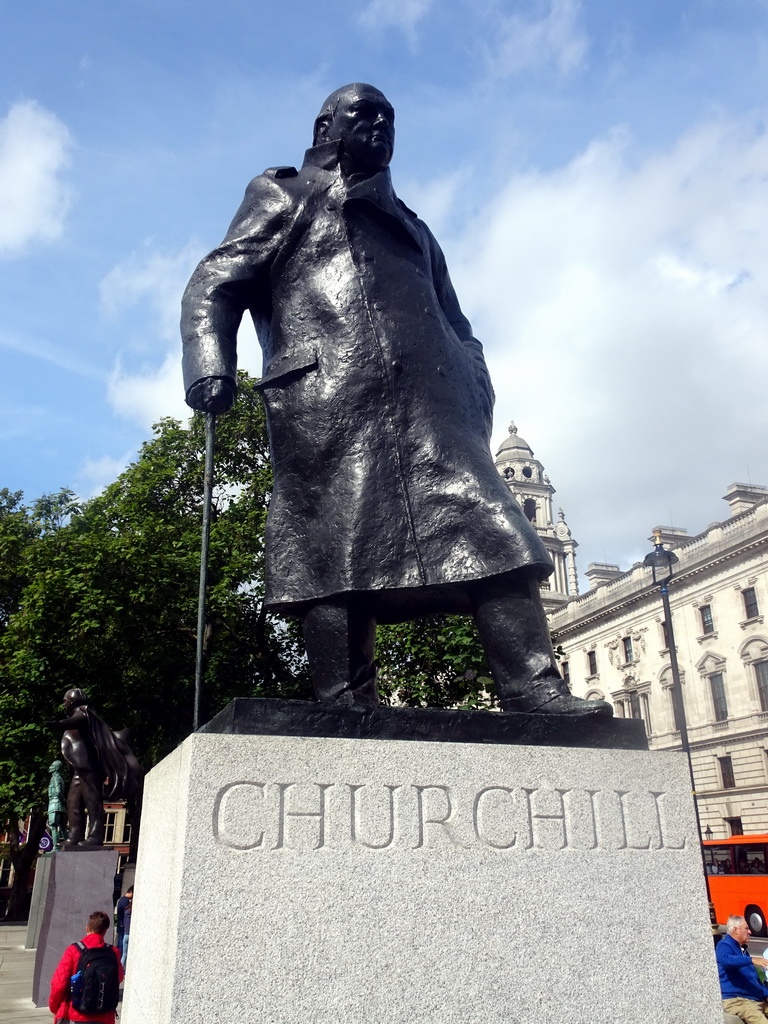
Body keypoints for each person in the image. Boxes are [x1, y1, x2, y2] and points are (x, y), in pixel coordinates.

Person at [181, 82, 612, 718]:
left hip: (434, 415)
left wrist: (473, 381)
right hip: (329, 402)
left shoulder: (415, 225)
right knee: (333, 549)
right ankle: (343, 697)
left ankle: (532, 687)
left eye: (390, 117)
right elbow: (214, 283)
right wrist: (210, 365)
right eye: (365, 113)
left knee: (495, 532)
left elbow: (458, 320)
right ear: (327, 125)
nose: (381, 125)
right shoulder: (283, 194)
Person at [47, 688, 142, 848]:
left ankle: (95, 836)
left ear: (71, 701)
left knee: (92, 801)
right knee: (73, 802)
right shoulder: (80, 716)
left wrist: (59, 724)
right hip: (80, 769)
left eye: (65, 701)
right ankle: (74, 836)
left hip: (89, 768)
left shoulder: (84, 713)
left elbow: (76, 720)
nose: (64, 704)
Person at [49, 910, 124, 1024]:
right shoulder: (114, 952)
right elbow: (119, 977)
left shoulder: (74, 950)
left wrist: (54, 1007)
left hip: (76, 1015)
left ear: (87, 928)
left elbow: (59, 983)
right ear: (105, 931)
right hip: (104, 1016)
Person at [716, 914, 768, 1023]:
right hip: (739, 1001)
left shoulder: (743, 950)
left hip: (755, 999)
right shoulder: (724, 945)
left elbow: (754, 982)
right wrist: (751, 960)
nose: (750, 932)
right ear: (736, 930)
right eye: (746, 928)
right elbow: (726, 960)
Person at [115, 886, 133, 965]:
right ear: (131, 892)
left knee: (121, 949)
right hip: (124, 929)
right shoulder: (126, 902)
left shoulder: (121, 900)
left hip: (121, 927)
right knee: (123, 951)